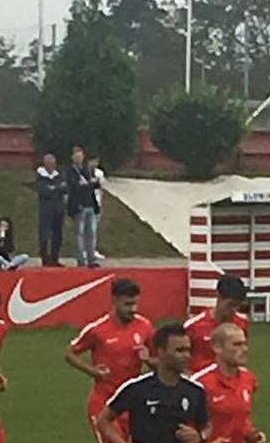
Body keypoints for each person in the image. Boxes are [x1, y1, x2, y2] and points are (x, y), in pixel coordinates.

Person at [65, 279, 156, 443]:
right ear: (114, 300)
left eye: (135, 304)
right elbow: (70, 354)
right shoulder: (97, 330)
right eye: (128, 304)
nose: (133, 309)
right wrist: (92, 371)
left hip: (132, 403)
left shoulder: (145, 326)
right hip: (103, 401)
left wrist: (149, 360)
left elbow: (160, 361)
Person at [97, 323, 212, 443]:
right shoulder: (137, 388)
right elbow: (103, 420)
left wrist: (199, 436)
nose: (187, 356)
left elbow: (206, 427)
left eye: (188, 350)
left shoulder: (195, 391)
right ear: (161, 351)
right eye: (180, 350)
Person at [191, 323, 265, 443]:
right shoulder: (199, 384)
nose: (244, 349)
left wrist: (252, 434)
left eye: (245, 344)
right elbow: (187, 430)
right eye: (237, 345)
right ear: (217, 348)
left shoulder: (249, 378)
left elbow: (242, 417)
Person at [185, 275, 250, 373]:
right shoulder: (193, 326)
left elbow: (240, 355)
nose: (234, 310)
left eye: (238, 305)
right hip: (200, 383)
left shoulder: (242, 322)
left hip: (229, 383)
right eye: (230, 304)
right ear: (218, 296)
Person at [66, 146, 101, 268]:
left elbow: (95, 184)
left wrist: (89, 183)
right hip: (78, 206)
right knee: (79, 234)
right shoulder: (70, 170)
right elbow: (74, 186)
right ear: (72, 157)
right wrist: (88, 184)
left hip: (90, 204)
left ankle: (91, 259)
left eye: (80, 156)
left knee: (91, 233)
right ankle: (81, 260)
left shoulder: (87, 169)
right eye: (76, 156)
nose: (79, 158)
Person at [35, 153, 67, 266]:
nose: (51, 166)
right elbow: (42, 191)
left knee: (57, 235)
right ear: (45, 164)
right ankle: (45, 259)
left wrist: (54, 188)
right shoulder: (40, 176)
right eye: (49, 163)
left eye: (53, 163)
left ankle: (54, 258)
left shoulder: (59, 174)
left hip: (58, 209)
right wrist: (57, 189)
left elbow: (65, 188)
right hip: (46, 210)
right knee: (44, 235)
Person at [88, 155, 107, 261]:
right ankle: (87, 250)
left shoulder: (100, 173)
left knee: (94, 228)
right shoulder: (85, 172)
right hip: (89, 202)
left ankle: (93, 249)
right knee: (88, 229)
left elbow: (102, 187)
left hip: (97, 202)